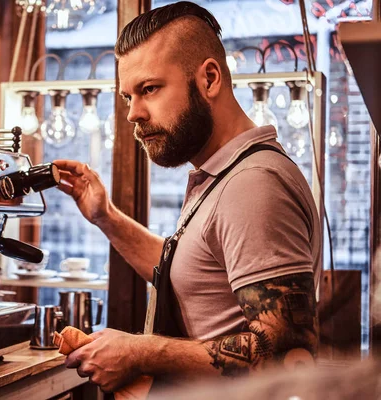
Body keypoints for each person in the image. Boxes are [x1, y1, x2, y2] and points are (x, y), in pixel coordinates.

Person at [54, 0, 322, 394]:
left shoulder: (252, 184)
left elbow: (289, 356)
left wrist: (139, 352)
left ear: (209, 79)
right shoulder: (223, 174)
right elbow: (194, 275)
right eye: (129, 97)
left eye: (149, 89)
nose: (133, 114)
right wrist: (105, 216)